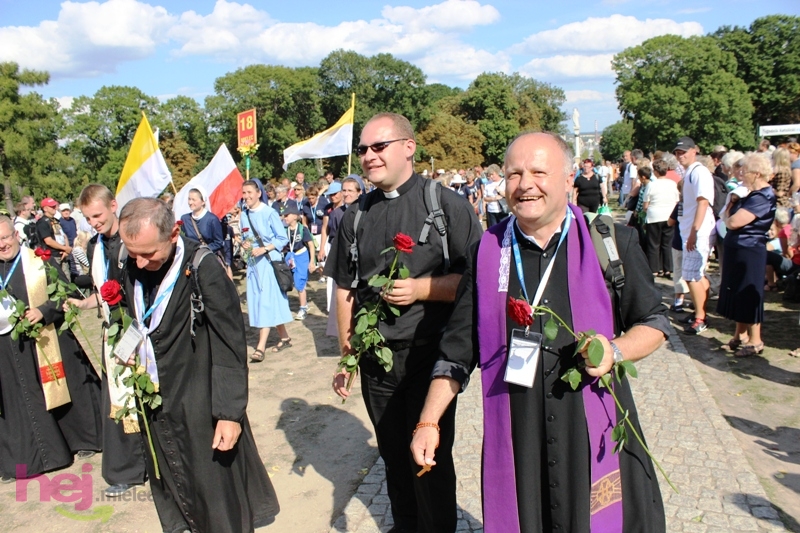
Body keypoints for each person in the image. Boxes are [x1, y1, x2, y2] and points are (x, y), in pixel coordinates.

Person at [410, 132, 668, 532]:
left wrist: (614, 350)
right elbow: (458, 349)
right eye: (514, 174)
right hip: (518, 439)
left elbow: (654, 324)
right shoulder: (487, 251)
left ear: (568, 180)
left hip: (593, 430)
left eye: (538, 171)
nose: (525, 184)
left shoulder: (613, 241)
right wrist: (428, 421)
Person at [328, 112, 483, 532]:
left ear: (408, 147)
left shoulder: (446, 205)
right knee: (394, 456)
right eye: (363, 149)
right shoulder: (355, 215)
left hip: (428, 357)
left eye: (379, 146)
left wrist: (423, 289)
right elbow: (345, 288)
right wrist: (347, 355)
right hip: (376, 361)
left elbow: (478, 283)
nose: (368, 156)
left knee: (427, 458)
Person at [117, 197, 279, 532]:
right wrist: (127, 348)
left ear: (174, 233)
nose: (140, 261)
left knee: (215, 496)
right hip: (157, 401)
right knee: (174, 489)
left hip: (200, 401)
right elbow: (135, 318)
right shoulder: (129, 262)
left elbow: (230, 344)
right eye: (133, 252)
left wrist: (230, 414)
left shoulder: (203, 267)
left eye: (149, 253)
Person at [0, 215, 103, 483]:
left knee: (63, 385)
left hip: (49, 337)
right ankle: (28, 457)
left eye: (5, 238)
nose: (1, 245)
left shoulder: (39, 260)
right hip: (10, 349)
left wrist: (43, 310)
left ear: (15, 235)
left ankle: (80, 440)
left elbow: (66, 291)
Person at [66, 184, 148, 497]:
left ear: (113, 205)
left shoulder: (132, 239)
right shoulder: (94, 246)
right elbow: (101, 293)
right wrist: (83, 303)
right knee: (118, 399)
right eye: (88, 218)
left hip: (137, 327)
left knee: (139, 394)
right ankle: (127, 469)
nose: (94, 222)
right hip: (112, 331)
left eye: (97, 215)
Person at [718, 153, 777, 357]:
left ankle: (755, 340)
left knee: (748, 293)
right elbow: (726, 215)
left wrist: (728, 215)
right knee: (736, 291)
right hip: (739, 246)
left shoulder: (763, 196)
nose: (741, 175)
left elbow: (734, 221)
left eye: (745, 172)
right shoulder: (751, 194)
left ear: (757, 173)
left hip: (750, 249)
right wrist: (729, 213)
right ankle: (739, 335)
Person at [240, 179, 293, 361]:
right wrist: (245, 243)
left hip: (269, 263)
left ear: (258, 193)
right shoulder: (243, 215)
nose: (246, 196)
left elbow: (282, 238)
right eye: (244, 193)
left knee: (265, 301)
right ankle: (284, 337)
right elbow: (245, 236)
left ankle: (260, 347)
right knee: (264, 300)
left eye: (249, 192)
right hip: (254, 264)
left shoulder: (269, 213)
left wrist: (264, 248)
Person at [675, 137, 715, 334]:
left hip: (698, 231)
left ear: (694, 151)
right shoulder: (690, 172)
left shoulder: (699, 172)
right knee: (694, 275)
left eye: (684, 151)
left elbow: (703, 202)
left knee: (691, 276)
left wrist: (695, 231)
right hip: (690, 230)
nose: (680, 155)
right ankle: (699, 310)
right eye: (678, 152)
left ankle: (700, 317)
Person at [642, 159, 680, 277]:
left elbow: (645, 204)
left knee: (653, 244)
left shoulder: (651, 185)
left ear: (656, 171)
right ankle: (668, 268)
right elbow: (677, 200)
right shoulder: (672, 184)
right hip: (669, 215)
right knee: (667, 243)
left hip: (654, 216)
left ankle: (654, 268)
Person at [283, 204, 316, 321]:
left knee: (299, 282)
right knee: (286, 281)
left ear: (295, 216)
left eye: (287, 215)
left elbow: (311, 245)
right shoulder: (284, 230)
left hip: (301, 256)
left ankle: (303, 307)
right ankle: (284, 307)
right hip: (289, 256)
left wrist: (311, 261)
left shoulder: (303, 229)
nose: (284, 218)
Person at [36, 197, 72, 278]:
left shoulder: (56, 220)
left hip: (63, 254)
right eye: (52, 206)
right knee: (57, 280)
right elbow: (48, 241)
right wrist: (64, 248)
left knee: (67, 280)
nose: (55, 208)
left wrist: (66, 249)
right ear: (45, 208)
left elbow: (64, 235)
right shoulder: (42, 223)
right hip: (52, 256)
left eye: (55, 206)